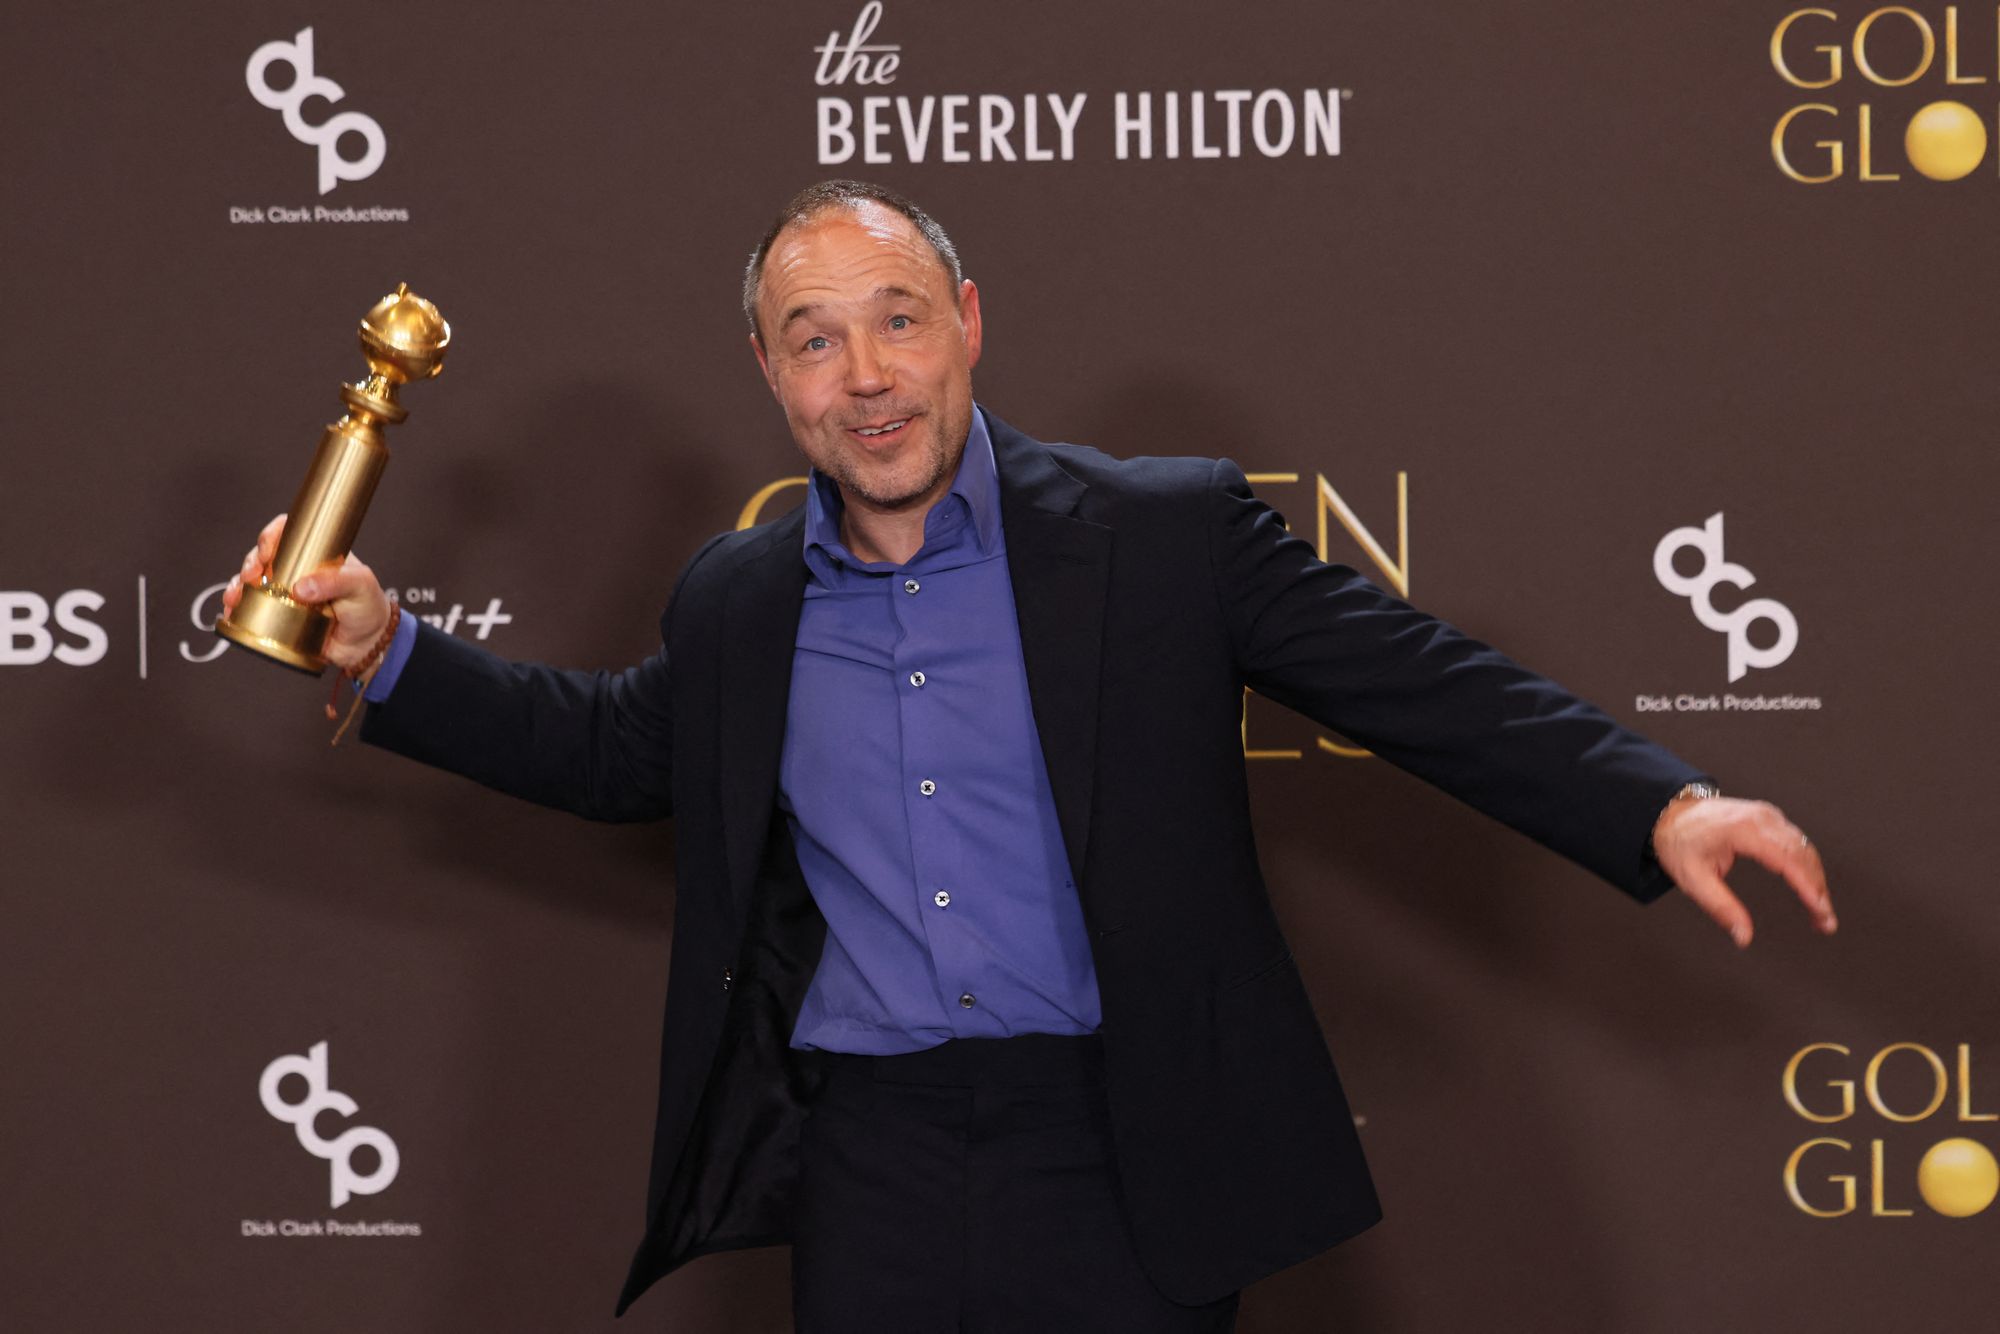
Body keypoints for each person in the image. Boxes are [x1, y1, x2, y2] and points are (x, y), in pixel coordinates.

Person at [224, 179, 1836, 1332]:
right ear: (772, 376)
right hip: (870, 1161)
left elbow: (1419, 680)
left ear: (969, 326)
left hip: (1123, 1140)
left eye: (898, 321)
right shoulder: (738, 595)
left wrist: (1661, 803)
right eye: (813, 340)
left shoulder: (1164, 534)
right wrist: (390, 648)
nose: (867, 376)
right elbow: (614, 747)